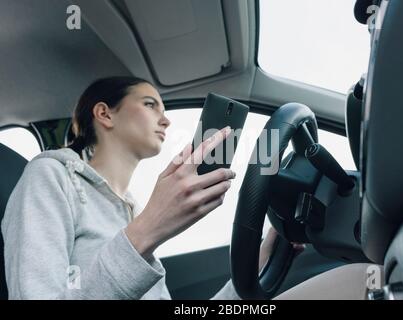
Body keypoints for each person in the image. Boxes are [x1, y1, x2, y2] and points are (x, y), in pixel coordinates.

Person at [1, 76, 305, 300]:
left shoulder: (129, 210)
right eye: (150, 105)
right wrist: (149, 228)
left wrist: (258, 260)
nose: (166, 121)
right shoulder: (51, 175)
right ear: (105, 114)